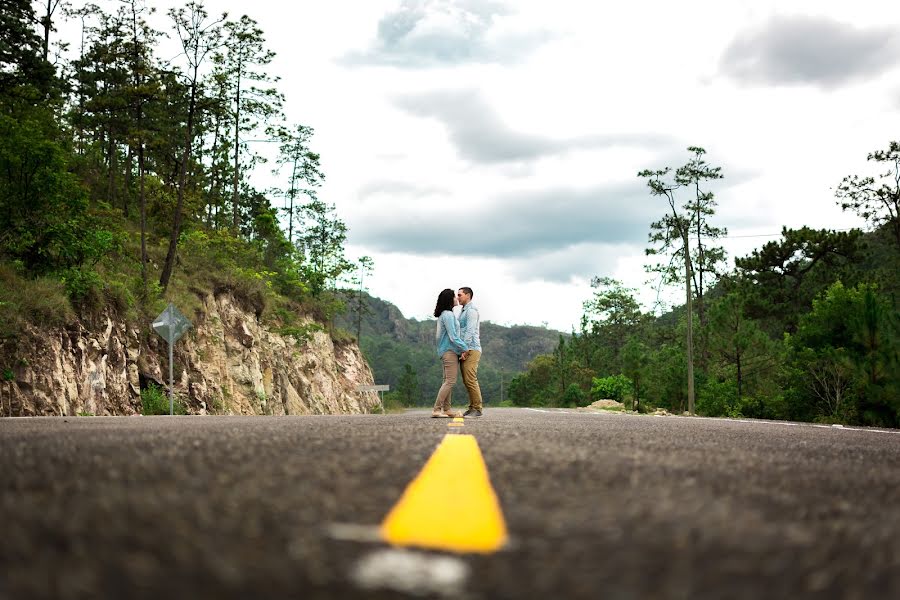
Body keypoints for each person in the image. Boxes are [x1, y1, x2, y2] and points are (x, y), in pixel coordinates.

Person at [431, 288, 468, 418]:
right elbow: (453, 336)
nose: (456, 298)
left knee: (447, 380)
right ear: (449, 300)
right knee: (450, 381)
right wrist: (465, 348)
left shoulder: (445, 314)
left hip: (449, 351)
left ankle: (446, 409)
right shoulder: (447, 314)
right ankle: (436, 409)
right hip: (449, 351)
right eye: (454, 296)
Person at [457, 287, 484, 417]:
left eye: (460, 295)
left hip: (471, 348)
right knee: (467, 380)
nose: (458, 297)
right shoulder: (463, 311)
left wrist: (465, 349)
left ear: (468, 295)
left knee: (471, 379)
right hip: (466, 348)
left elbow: (470, 331)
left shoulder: (471, 311)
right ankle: (472, 407)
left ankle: (477, 409)